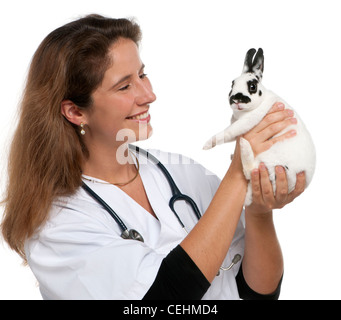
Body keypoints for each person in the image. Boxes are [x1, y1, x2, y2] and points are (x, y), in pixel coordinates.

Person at [1, 14, 305, 300]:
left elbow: (256, 293)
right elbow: (162, 298)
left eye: (143, 75)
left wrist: (259, 213)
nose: (148, 95)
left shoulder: (182, 174)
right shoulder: (56, 226)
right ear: (76, 112)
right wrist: (240, 173)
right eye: (124, 86)